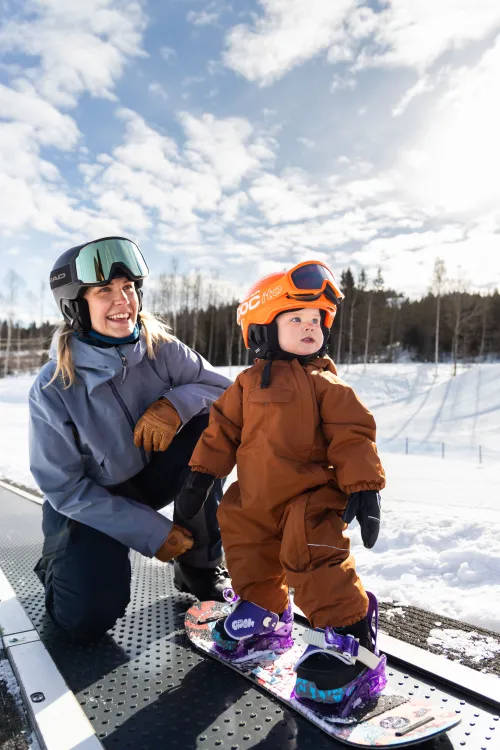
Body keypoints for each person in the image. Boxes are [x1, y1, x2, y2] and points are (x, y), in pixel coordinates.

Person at [175, 260, 387, 714]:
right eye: (297, 319)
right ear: (262, 327)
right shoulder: (246, 384)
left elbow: (353, 433)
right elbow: (221, 432)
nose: (311, 327)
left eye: (317, 320)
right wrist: (200, 475)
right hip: (255, 497)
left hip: (308, 499)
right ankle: (263, 613)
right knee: (244, 543)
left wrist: (364, 485)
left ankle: (350, 639)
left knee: (314, 557)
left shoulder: (324, 383)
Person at [29, 236, 232, 643]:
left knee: (214, 424)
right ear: (76, 306)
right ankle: (58, 563)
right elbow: (64, 488)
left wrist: (177, 403)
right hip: (91, 502)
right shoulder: (53, 387)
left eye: (128, 288)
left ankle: (199, 564)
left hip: (153, 476)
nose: (124, 300)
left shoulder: (163, 350)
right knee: (84, 620)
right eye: (105, 291)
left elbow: (229, 395)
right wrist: (153, 532)